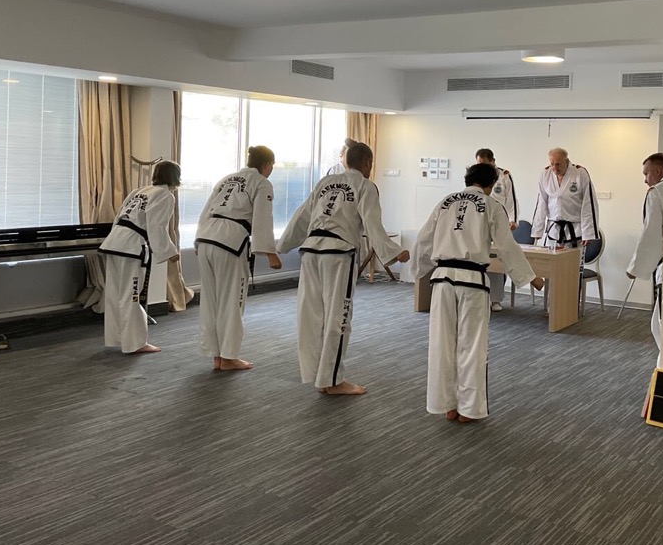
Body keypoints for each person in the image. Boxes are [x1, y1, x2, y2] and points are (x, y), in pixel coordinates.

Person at [414, 162, 544, 423]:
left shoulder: (445, 201)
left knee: (442, 343)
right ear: (491, 184)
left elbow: (423, 239)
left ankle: (446, 404)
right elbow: (506, 246)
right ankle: (469, 409)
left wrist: (417, 270)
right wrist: (531, 278)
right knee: (472, 346)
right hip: (472, 281)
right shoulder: (491, 205)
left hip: (442, 280)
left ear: (467, 179)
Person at [278, 142, 409, 395]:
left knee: (311, 315)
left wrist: (281, 246)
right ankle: (333, 381)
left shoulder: (325, 182)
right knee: (338, 316)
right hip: (338, 254)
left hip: (311, 251)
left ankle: (318, 375)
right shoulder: (365, 186)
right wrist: (393, 251)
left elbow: (302, 216)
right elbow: (372, 223)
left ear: (345, 161)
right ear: (368, 162)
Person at [195, 145, 283, 371]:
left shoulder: (226, 179)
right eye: (272, 166)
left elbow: (206, 211)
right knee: (232, 300)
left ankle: (216, 355)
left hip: (206, 238)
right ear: (267, 165)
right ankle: (229, 357)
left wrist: (197, 241)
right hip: (230, 242)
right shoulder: (262, 183)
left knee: (210, 301)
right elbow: (263, 218)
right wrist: (270, 253)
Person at [98, 160, 181, 355]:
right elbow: (156, 225)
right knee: (132, 294)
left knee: (114, 294)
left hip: (114, 242)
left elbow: (119, 217)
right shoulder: (165, 195)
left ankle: (116, 337)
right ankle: (135, 343)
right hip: (131, 246)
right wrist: (169, 252)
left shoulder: (140, 191)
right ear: (175, 178)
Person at [626, 153, 663, 360]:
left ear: (658, 171)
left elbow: (651, 234)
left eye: (646, 174)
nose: (645, 179)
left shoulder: (657, 193)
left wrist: (635, 268)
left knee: (662, 325)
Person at [475, 148, 518, 312]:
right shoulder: (475, 176)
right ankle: (482, 296)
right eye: (479, 163)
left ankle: (495, 299)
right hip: (480, 222)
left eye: (484, 163)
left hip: (499, 221)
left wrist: (513, 220)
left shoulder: (504, 175)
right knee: (482, 260)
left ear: (493, 161)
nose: (481, 166)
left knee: (497, 261)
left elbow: (511, 199)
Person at [531, 147, 598, 249]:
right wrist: (537, 230)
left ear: (567, 161)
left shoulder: (580, 173)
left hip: (575, 231)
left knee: (572, 259)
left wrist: (588, 233)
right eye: (552, 164)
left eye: (558, 164)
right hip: (553, 231)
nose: (555, 168)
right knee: (550, 259)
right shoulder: (546, 174)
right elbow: (541, 203)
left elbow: (589, 203)